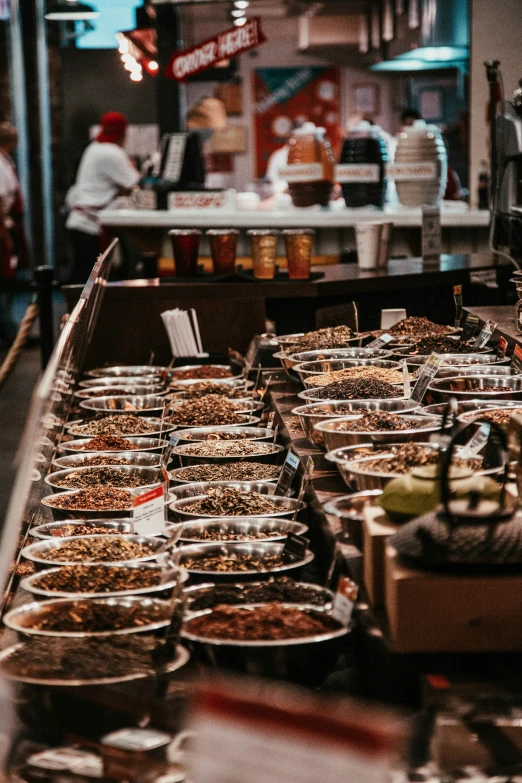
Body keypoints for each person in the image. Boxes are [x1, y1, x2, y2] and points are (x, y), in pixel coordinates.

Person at [66, 111, 140, 283]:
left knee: (85, 282)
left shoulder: (94, 147)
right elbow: (134, 183)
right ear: (124, 133)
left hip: (81, 222)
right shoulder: (111, 152)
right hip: (89, 226)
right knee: (88, 284)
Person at [0, 121, 29, 347]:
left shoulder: (6, 160)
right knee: (4, 279)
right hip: (2, 225)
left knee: (9, 277)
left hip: (8, 223)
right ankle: (8, 330)